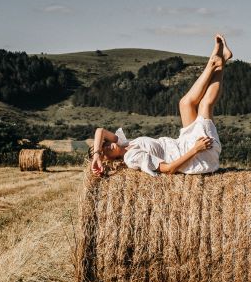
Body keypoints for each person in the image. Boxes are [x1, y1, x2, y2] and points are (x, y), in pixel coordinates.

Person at [89, 34, 232, 176]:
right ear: (107, 160)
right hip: (197, 157)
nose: (107, 146)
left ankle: (218, 60)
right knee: (204, 105)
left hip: (181, 143)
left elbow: (100, 131)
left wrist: (96, 154)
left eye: (104, 144)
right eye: (104, 151)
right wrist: (196, 149)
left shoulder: (124, 143)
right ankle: (216, 63)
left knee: (184, 103)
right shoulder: (131, 157)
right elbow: (169, 169)